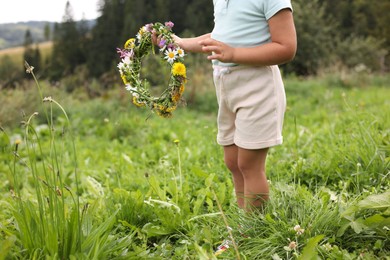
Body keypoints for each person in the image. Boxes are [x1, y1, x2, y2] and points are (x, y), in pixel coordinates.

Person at [173, 0, 296, 211]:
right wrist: (180, 42)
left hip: (257, 87)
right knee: (232, 161)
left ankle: (253, 232)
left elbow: (286, 48)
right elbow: (218, 38)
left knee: (249, 164)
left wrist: (234, 54)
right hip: (226, 86)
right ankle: (243, 223)